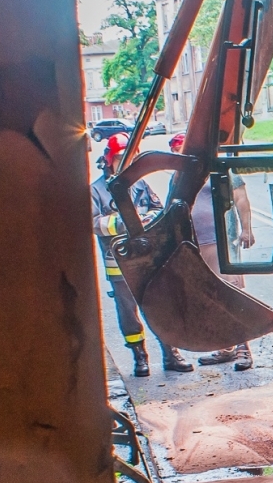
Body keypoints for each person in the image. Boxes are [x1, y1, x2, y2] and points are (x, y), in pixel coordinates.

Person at [91, 133, 193, 377]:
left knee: (160, 307)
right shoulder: (97, 190)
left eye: (131, 157)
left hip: (148, 258)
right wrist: (126, 222)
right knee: (128, 313)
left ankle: (171, 354)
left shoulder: (139, 184)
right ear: (109, 159)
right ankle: (139, 357)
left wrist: (148, 219)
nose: (127, 162)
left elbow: (158, 209)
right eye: (120, 158)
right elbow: (93, 223)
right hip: (119, 262)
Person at [175, 135, 258, 370]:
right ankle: (226, 347)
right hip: (197, 246)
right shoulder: (182, 177)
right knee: (213, 297)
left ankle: (243, 349)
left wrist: (246, 229)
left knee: (232, 294)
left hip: (222, 242)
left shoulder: (221, 170)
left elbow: (240, 198)